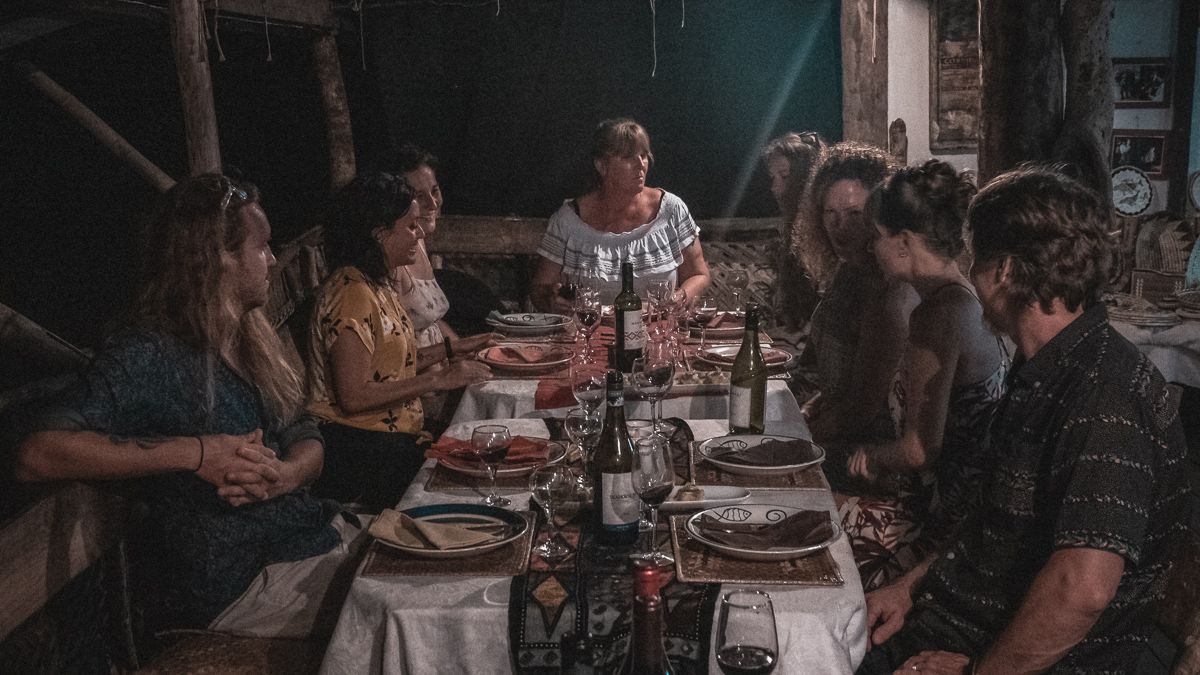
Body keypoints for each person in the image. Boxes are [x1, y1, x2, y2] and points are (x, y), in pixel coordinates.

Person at [857, 166, 1189, 674]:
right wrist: (909, 587)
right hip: (949, 624)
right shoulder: (1045, 369)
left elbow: (1082, 590)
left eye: (975, 257)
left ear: (1006, 270)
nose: (968, 271)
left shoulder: (1106, 394)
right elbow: (993, 526)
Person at [13, 174, 357, 638]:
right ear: (219, 257)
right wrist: (196, 453)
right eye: (262, 247)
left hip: (308, 540)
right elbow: (37, 453)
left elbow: (304, 432)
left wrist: (288, 475)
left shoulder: (250, 339)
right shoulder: (150, 353)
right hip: (243, 586)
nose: (273, 260)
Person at [833, 161, 1008, 590]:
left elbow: (918, 451)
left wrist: (870, 455)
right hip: (953, 507)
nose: (872, 248)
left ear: (904, 242)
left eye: (877, 236)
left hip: (944, 529)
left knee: (806, 526)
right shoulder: (963, 296)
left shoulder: (938, 314)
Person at [306, 172, 493, 510]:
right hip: (359, 448)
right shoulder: (352, 294)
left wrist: (453, 348)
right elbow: (353, 395)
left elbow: (387, 366)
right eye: (410, 226)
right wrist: (438, 378)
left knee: (482, 450)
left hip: (389, 437)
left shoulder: (377, 283)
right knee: (476, 472)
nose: (419, 233)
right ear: (379, 234)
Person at [793, 141, 918, 444]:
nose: (840, 227)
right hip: (835, 428)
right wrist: (813, 406)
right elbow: (843, 381)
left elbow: (861, 409)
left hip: (868, 451)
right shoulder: (848, 271)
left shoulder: (891, 289)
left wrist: (796, 442)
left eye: (854, 214)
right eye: (830, 213)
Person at [532, 118, 711, 310]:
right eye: (628, 157)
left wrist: (679, 298)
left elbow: (699, 274)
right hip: (590, 326)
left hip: (657, 324)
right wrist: (552, 300)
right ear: (602, 166)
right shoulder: (569, 220)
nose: (640, 164)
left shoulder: (670, 209)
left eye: (643, 155)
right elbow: (540, 290)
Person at [761, 131, 823, 332]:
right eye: (773, 177)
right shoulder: (791, 227)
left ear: (806, 177)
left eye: (785, 176)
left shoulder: (823, 229)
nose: (774, 187)